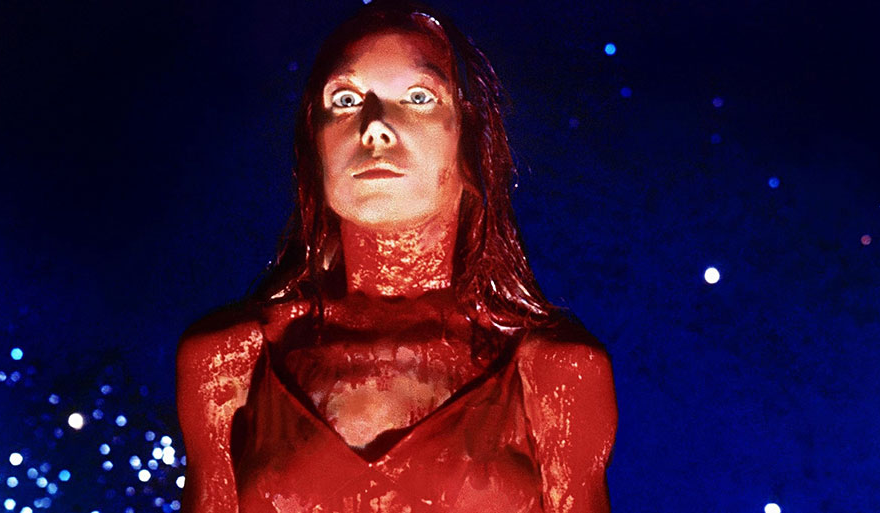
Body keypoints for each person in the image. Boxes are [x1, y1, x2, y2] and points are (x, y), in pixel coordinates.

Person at [176, 1, 617, 511]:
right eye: (345, 99)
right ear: (315, 143)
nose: (374, 127)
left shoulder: (556, 369)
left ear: (470, 140)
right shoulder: (230, 360)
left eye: (418, 97)